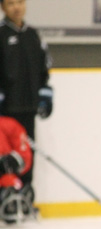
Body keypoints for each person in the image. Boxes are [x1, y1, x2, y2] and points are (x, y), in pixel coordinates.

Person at [0, 0, 52, 192]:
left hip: (28, 108)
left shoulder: (33, 35)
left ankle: (25, 194)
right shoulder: (1, 34)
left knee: (26, 153)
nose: (17, 7)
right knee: (5, 155)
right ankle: (6, 194)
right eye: (11, 3)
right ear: (3, 7)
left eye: (20, 2)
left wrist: (45, 94)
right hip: (6, 112)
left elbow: (43, 69)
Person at [0, 114, 32, 222]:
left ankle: (11, 195)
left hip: (4, 175)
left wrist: (16, 161)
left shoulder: (9, 125)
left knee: (11, 183)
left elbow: (24, 156)